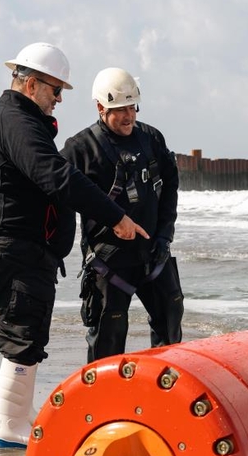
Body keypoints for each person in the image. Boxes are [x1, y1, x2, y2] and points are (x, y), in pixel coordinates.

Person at [0, 42, 149, 449]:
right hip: (13, 248)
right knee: (22, 336)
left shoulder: (1, 122)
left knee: (23, 334)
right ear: (31, 85)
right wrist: (116, 216)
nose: (60, 99)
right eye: (55, 90)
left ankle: (18, 414)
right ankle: (11, 428)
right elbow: (57, 177)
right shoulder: (18, 124)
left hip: (3, 247)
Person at [61, 67, 184, 364]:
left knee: (171, 328)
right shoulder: (79, 149)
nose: (129, 116)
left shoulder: (151, 138)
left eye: (133, 107)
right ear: (101, 107)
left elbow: (170, 185)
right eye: (120, 110)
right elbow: (61, 198)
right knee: (108, 343)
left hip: (153, 254)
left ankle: (164, 399)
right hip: (109, 263)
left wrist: (165, 235)